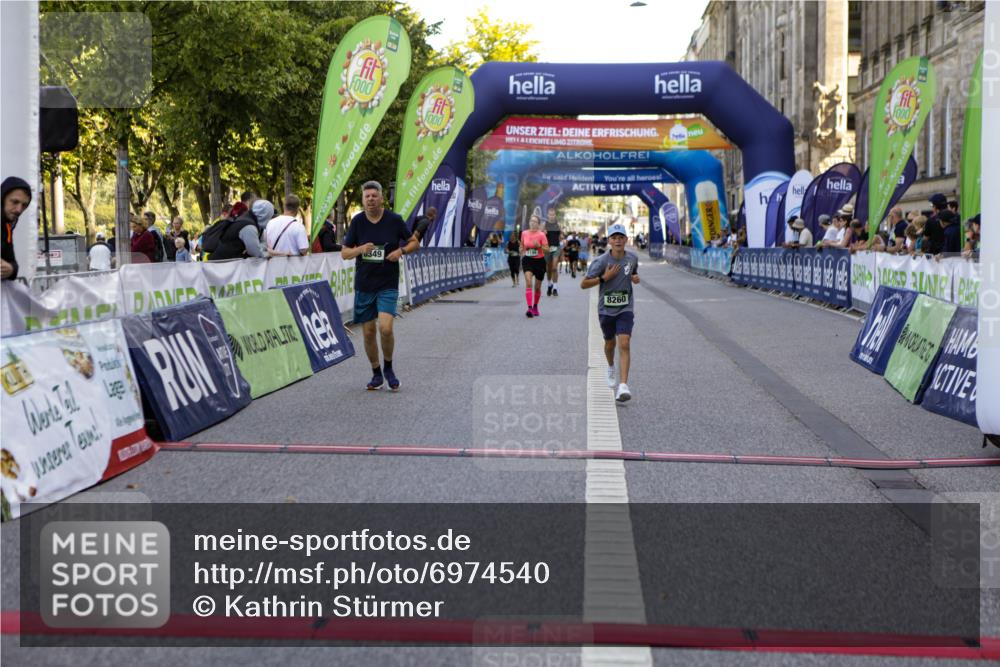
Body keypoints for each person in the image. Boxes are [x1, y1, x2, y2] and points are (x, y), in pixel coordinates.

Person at [341, 181, 420, 391]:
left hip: (387, 282)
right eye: (367, 196)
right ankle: (376, 373)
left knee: (385, 328)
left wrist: (401, 252)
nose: (370, 199)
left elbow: (414, 243)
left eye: (374, 196)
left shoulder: (394, 220)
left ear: (382, 198)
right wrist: (361, 249)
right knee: (368, 333)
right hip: (365, 284)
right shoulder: (357, 222)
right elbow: (345, 253)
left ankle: (389, 368)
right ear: (363, 200)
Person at [582, 222, 639, 403]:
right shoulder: (601, 262)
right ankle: (611, 366)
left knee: (625, 342)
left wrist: (635, 278)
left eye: (621, 237)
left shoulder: (632, 259)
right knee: (610, 344)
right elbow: (583, 284)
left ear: (626, 240)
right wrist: (603, 278)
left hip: (625, 307)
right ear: (609, 241)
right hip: (606, 309)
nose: (618, 241)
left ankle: (623, 385)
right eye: (614, 238)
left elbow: (633, 274)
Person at [2, 176, 32, 280]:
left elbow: (11, 261)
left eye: (24, 205)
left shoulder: (7, 228)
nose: (19, 210)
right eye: (14, 202)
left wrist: (10, 269)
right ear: (2, 198)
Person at [520, 214, 549, 318]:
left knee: (537, 288)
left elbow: (547, 250)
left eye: (535, 222)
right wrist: (521, 250)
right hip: (527, 260)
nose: (532, 223)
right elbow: (522, 245)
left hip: (539, 262)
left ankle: (535, 306)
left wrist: (539, 246)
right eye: (531, 221)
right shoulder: (524, 233)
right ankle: (529, 308)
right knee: (528, 282)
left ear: (538, 224)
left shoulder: (541, 235)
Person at [544, 207, 562, 296]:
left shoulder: (558, 224)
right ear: (548, 215)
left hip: (556, 247)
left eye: (553, 214)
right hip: (547, 248)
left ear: (555, 215)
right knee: (548, 269)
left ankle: (555, 288)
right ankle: (549, 285)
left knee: (554, 268)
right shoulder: (544, 224)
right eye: (550, 214)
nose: (552, 216)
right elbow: (540, 235)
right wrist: (543, 232)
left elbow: (562, 235)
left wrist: (561, 232)